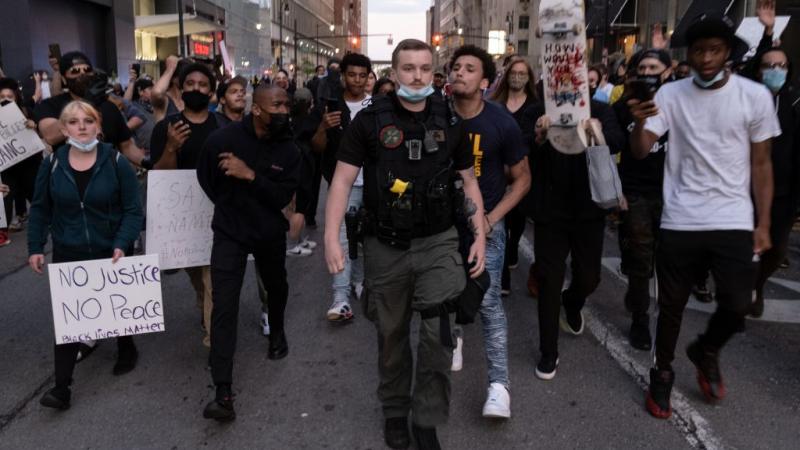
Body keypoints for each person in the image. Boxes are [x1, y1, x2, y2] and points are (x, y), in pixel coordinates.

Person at [324, 38, 486, 450]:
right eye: (409, 68)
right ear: (394, 73)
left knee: (438, 336)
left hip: (439, 242)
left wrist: (480, 235)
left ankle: (426, 417)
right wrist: (330, 237)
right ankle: (395, 410)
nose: (417, 76)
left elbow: (468, 181)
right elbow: (342, 180)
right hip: (386, 245)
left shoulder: (449, 119)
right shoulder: (369, 121)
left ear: (434, 72)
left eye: (425, 68)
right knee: (391, 334)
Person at [628, 14, 781, 419]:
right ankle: (662, 373)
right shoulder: (670, 94)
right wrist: (640, 120)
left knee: (739, 303)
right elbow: (641, 150)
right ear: (689, 54)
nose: (707, 58)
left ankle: (706, 349)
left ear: (728, 52)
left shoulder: (755, 96)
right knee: (672, 306)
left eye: (715, 50)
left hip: (734, 217)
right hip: (681, 217)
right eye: (699, 50)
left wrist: (764, 223)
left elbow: (762, 164)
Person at [27, 100, 144, 410]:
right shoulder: (52, 164)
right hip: (69, 251)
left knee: (117, 309)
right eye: (74, 122)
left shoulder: (116, 161)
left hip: (111, 248)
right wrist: (35, 247)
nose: (82, 127)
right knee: (70, 320)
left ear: (98, 126)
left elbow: (133, 210)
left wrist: (122, 242)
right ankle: (61, 389)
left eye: (88, 121)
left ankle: (126, 347)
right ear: (64, 130)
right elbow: (40, 208)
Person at [197, 85, 301, 422]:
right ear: (256, 109)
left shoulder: (289, 149)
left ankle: (277, 331)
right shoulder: (222, 140)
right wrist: (231, 205)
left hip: (268, 231)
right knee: (224, 303)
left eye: (286, 105)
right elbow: (206, 179)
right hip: (230, 232)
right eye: (277, 105)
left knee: (276, 285)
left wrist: (250, 176)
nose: (284, 111)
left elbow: (281, 196)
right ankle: (223, 391)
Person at [449, 45, 530, 419]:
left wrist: (491, 218)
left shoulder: (501, 122)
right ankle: (455, 337)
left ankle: (499, 386)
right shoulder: (438, 117)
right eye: (456, 67)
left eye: (469, 68)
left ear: (485, 82)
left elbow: (523, 179)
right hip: (442, 228)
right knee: (445, 293)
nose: (459, 72)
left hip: (488, 228)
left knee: (488, 302)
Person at [529, 73, 625, 380]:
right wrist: (538, 136)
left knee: (589, 278)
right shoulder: (538, 112)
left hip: (588, 211)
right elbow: (522, 150)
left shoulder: (601, 110)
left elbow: (618, 141)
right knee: (549, 281)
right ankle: (548, 351)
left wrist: (597, 132)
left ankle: (572, 302)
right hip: (550, 212)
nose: (567, 88)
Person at [149, 62, 220, 347]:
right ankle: (205, 307)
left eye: (203, 85)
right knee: (199, 280)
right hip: (182, 223)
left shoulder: (223, 126)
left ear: (211, 92)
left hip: (216, 217)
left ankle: (215, 343)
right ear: (180, 88)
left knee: (214, 281)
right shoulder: (166, 128)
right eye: (190, 84)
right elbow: (160, 176)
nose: (196, 89)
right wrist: (171, 147)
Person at [613, 49, 672, 351]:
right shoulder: (624, 107)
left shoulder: (677, 103)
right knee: (639, 259)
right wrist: (616, 190)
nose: (648, 72)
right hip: (634, 191)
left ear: (667, 71)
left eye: (654, 67)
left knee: (667, 259)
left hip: (672, 192)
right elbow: (611, 149)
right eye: (643, 68)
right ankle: (640, 318)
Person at [311, 52, 373, 321]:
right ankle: (340, 298)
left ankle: (359, 281)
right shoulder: (329, 106)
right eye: (352, 75)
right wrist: (323, 127)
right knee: (343, 239)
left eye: (362, 75)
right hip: (343, 187)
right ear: (343, 76)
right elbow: (316, 148)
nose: (357, 80)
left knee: (366, 240)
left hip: (373, 186)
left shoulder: (377, 107)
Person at [743, 44, 799, 317]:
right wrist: (766, 37)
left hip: (784, 192)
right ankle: (741, 292)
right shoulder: (747, 98)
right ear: (758, 70)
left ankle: (757, 284)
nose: (776, 71)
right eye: (769, 66)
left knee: (776, 250)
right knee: (745, 246)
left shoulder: (794, 102)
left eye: (781, 66)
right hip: (746, 188)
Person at [33, 51, 145, 167]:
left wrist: (146, 162)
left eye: (87, 70)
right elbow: (50, 136)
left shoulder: (108, 106)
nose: (83, 74)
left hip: (106, 173)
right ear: (64, 79)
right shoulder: (50, 105)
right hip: (69, 175)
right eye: (75, 71)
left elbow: (126, 146)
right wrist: (85, 104)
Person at [489, 56, 539, 297]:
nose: (517, 77)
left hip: (524, 169)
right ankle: (502, 277)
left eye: (522, 74)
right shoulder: (495, 103)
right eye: (514, 73)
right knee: (501, 220)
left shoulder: (535, 106)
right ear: (507, 76)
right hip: (499, 169)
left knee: (517, 221)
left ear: (529, 78)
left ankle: (511, 250)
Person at [1, 78, 41, 235]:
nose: (5, 99)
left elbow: (41, 132)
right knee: (6, 197)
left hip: (29, 163)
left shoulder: (25, 111)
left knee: (35, 195)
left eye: (9, 96)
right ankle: (3, 231)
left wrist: (33, 125)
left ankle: (46, 221)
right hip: (7, 166)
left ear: (16, 98)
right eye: (2, 96)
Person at [151, 55, 189, 122]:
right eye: (185, 76)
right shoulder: (165, 100)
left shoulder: (188, 100)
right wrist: (170, 69)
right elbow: (157, 92)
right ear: (173, 78)